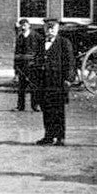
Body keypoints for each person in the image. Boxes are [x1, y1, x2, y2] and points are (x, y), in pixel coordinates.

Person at [34, 18, 74, 146]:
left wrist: (68, 79)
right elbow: (37, 61)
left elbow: (70, 62)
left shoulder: (63, 43)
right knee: (46, 110)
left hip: (58, 83)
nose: (50, 30)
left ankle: (60, 137)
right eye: (47, 28)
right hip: (44, 83)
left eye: (53, 28)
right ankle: (48, 136)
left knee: (58, 111)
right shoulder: (40, 43)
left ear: (57, 29)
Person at [13, 18, 40, 111]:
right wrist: (16, 68)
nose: (23, 27)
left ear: (29, 25)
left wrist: (38, 63)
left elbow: (40, 51)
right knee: (21, 88)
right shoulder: (19, 37)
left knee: (34, 87)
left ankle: (35, 106)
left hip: (33, 65)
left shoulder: (36, 36)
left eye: (25, 25)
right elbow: (16, 53)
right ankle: (20, 106)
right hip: (22, 66)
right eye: (21, 25)